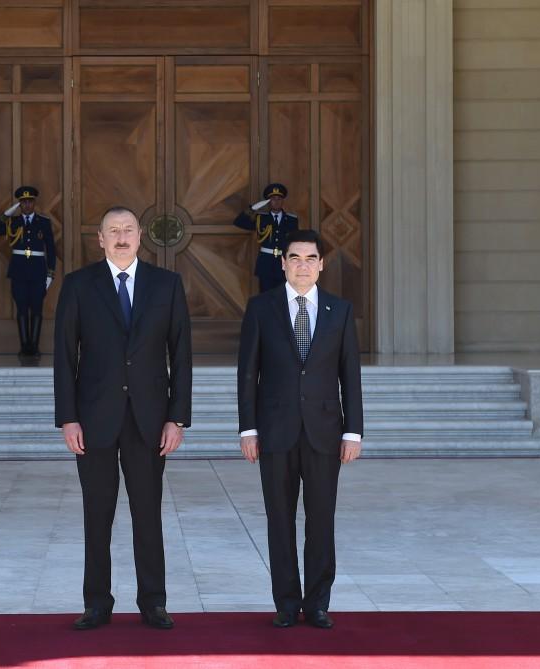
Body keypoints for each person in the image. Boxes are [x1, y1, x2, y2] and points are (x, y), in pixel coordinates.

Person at [53, 206, 192, 631]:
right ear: (99, 238)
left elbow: (181, 355)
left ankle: (153, 601)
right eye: (112, 230)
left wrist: (177, 419)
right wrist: (68, 418)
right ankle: (97, 603)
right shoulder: (78, 286)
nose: (121, 236)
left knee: (147, 513)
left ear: (141, 235)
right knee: (97, 513)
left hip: (150, 420)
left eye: (128, 229)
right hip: (94, 420)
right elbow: (63, 355)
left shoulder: (167, 285)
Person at [236, 229, 363, 630]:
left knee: (321, 519)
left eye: (311, 258)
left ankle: (318, 602)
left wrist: (353, 431)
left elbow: (350, 376)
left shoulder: (340, 311)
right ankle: (287, 603)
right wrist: (247, 430)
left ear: (322, 264)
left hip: (326, 431)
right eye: (295, 258)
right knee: (280, 519)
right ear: (283, 263)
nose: (303, 265)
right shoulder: (261, 308)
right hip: (274, 431)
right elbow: (247, 374)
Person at [0, 185, 56, 356]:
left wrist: (50, 273)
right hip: (19, 271)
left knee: (37, 309)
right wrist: (8, 213)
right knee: (22, 308)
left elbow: (51, 249)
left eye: (29, 202)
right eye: (23, 202)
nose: (27, 205)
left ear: (34, 203)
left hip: (38, 271)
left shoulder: (43, 222)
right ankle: (25, 346)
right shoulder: (13, 221)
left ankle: (34, 346)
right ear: (19, 204)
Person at [233, 183, 299, 293]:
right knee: (265, 296)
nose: (276, 202)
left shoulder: (292, 219)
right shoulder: (261, 218)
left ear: (283, 201)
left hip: (284, 263)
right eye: (273, 199)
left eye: (279, 199)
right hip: (266, 263)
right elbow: (238, 222)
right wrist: (253, 208)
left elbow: (295, 241)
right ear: (268, 202)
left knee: (283, 296)